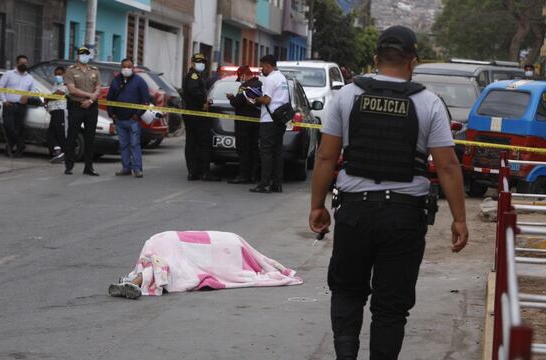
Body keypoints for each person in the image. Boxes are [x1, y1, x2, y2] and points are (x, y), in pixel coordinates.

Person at [309, 25, 469, 359]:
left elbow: (325, 156)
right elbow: (448, 166)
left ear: (375, 58)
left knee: (348, 291)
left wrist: (317, 206)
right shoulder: (429, 103)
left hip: (354, 213)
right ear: (413, 61)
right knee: (391, 306)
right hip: (404, 218)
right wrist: (459, 219)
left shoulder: (347, 96)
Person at [107, 231, 303, 299]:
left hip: (167, 240)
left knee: (157, 263)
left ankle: (133, 280)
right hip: (176, 243)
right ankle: (133, 281)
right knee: (167, 265)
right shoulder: (237, 243)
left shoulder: (236, 242)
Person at [250, 54, 288, 194]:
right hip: (280, 120)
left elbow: (267, 100)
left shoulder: (270, 79)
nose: (261, 69)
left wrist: (254, 97)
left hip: (269, 120)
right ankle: (277, 184)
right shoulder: (282, 78)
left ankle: (264, 184)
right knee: (277, 152)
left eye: (262, 66)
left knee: (266, 152)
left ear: (268, 65)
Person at [106, 58, 150, 178]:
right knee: (123, 145)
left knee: (135, 144)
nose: (126, 69)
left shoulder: (139, 82)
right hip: (119, 119)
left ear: (133, 68)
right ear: (121, 67)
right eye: (124, 66)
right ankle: (126, 168)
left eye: (129, 66)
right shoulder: (116, 81)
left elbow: (145, 100)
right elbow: (110, 99)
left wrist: (138, 114)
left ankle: (137, 169)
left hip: (133, 120)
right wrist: (112, 114)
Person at [63, 47, 101, 176]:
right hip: (76, 106)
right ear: (78, 56)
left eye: (86, 54)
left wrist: (90, 100)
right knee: (72, 135)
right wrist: (89, 96)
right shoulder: (70, 70)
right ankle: (69, 165)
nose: (84, 56)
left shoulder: (94, 71)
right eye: (82, 54)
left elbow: (98, 87)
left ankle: (89, 167)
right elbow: (72, 90)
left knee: (90, 137)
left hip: (91, 107)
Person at [182, 52, 220, 182]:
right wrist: (204, 100)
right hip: (196, 114)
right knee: (203, 142)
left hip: (191, 113)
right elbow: (194, 91)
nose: (201, 64)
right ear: (192, 63)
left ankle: (194, 172)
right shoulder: (193, 76)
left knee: (192, 142)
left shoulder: (195, 76)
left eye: (203, 62)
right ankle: (204, 172)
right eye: (198, 62)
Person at [226, 65, 262, 184]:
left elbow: (237, 102)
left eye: (240, 77)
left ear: (243, 75)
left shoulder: (244, 86)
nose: (240, 79)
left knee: (243, 149)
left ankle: (243, 175)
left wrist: (231, 98)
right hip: (257, 122)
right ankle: (253, 175)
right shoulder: (260, 84)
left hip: (243, 124)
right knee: (254, 149)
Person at [0, 54, 35, 158]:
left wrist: (27, 96)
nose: (24, 65)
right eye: (21, 63)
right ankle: (20, 144)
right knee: (8, 126)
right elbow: (0, 87)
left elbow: (33, 91)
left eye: (25, 63)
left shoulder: (30, 78)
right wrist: (4, 101)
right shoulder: (8, 74)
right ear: (17, 63)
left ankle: (10, 150)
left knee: (17, 129)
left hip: (21, 106)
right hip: (9, 104)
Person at [45, 66, 68, 163]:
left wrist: (47, 98)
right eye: (56, 74)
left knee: (60, 132)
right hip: (54, 111)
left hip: (60, 111)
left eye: (59, 74)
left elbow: (58, 94)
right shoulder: (55, 84)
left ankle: (64, 153)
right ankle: (57, 152)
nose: (57, 76)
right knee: (52, 133)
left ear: (64, 75)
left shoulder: (66, 84)